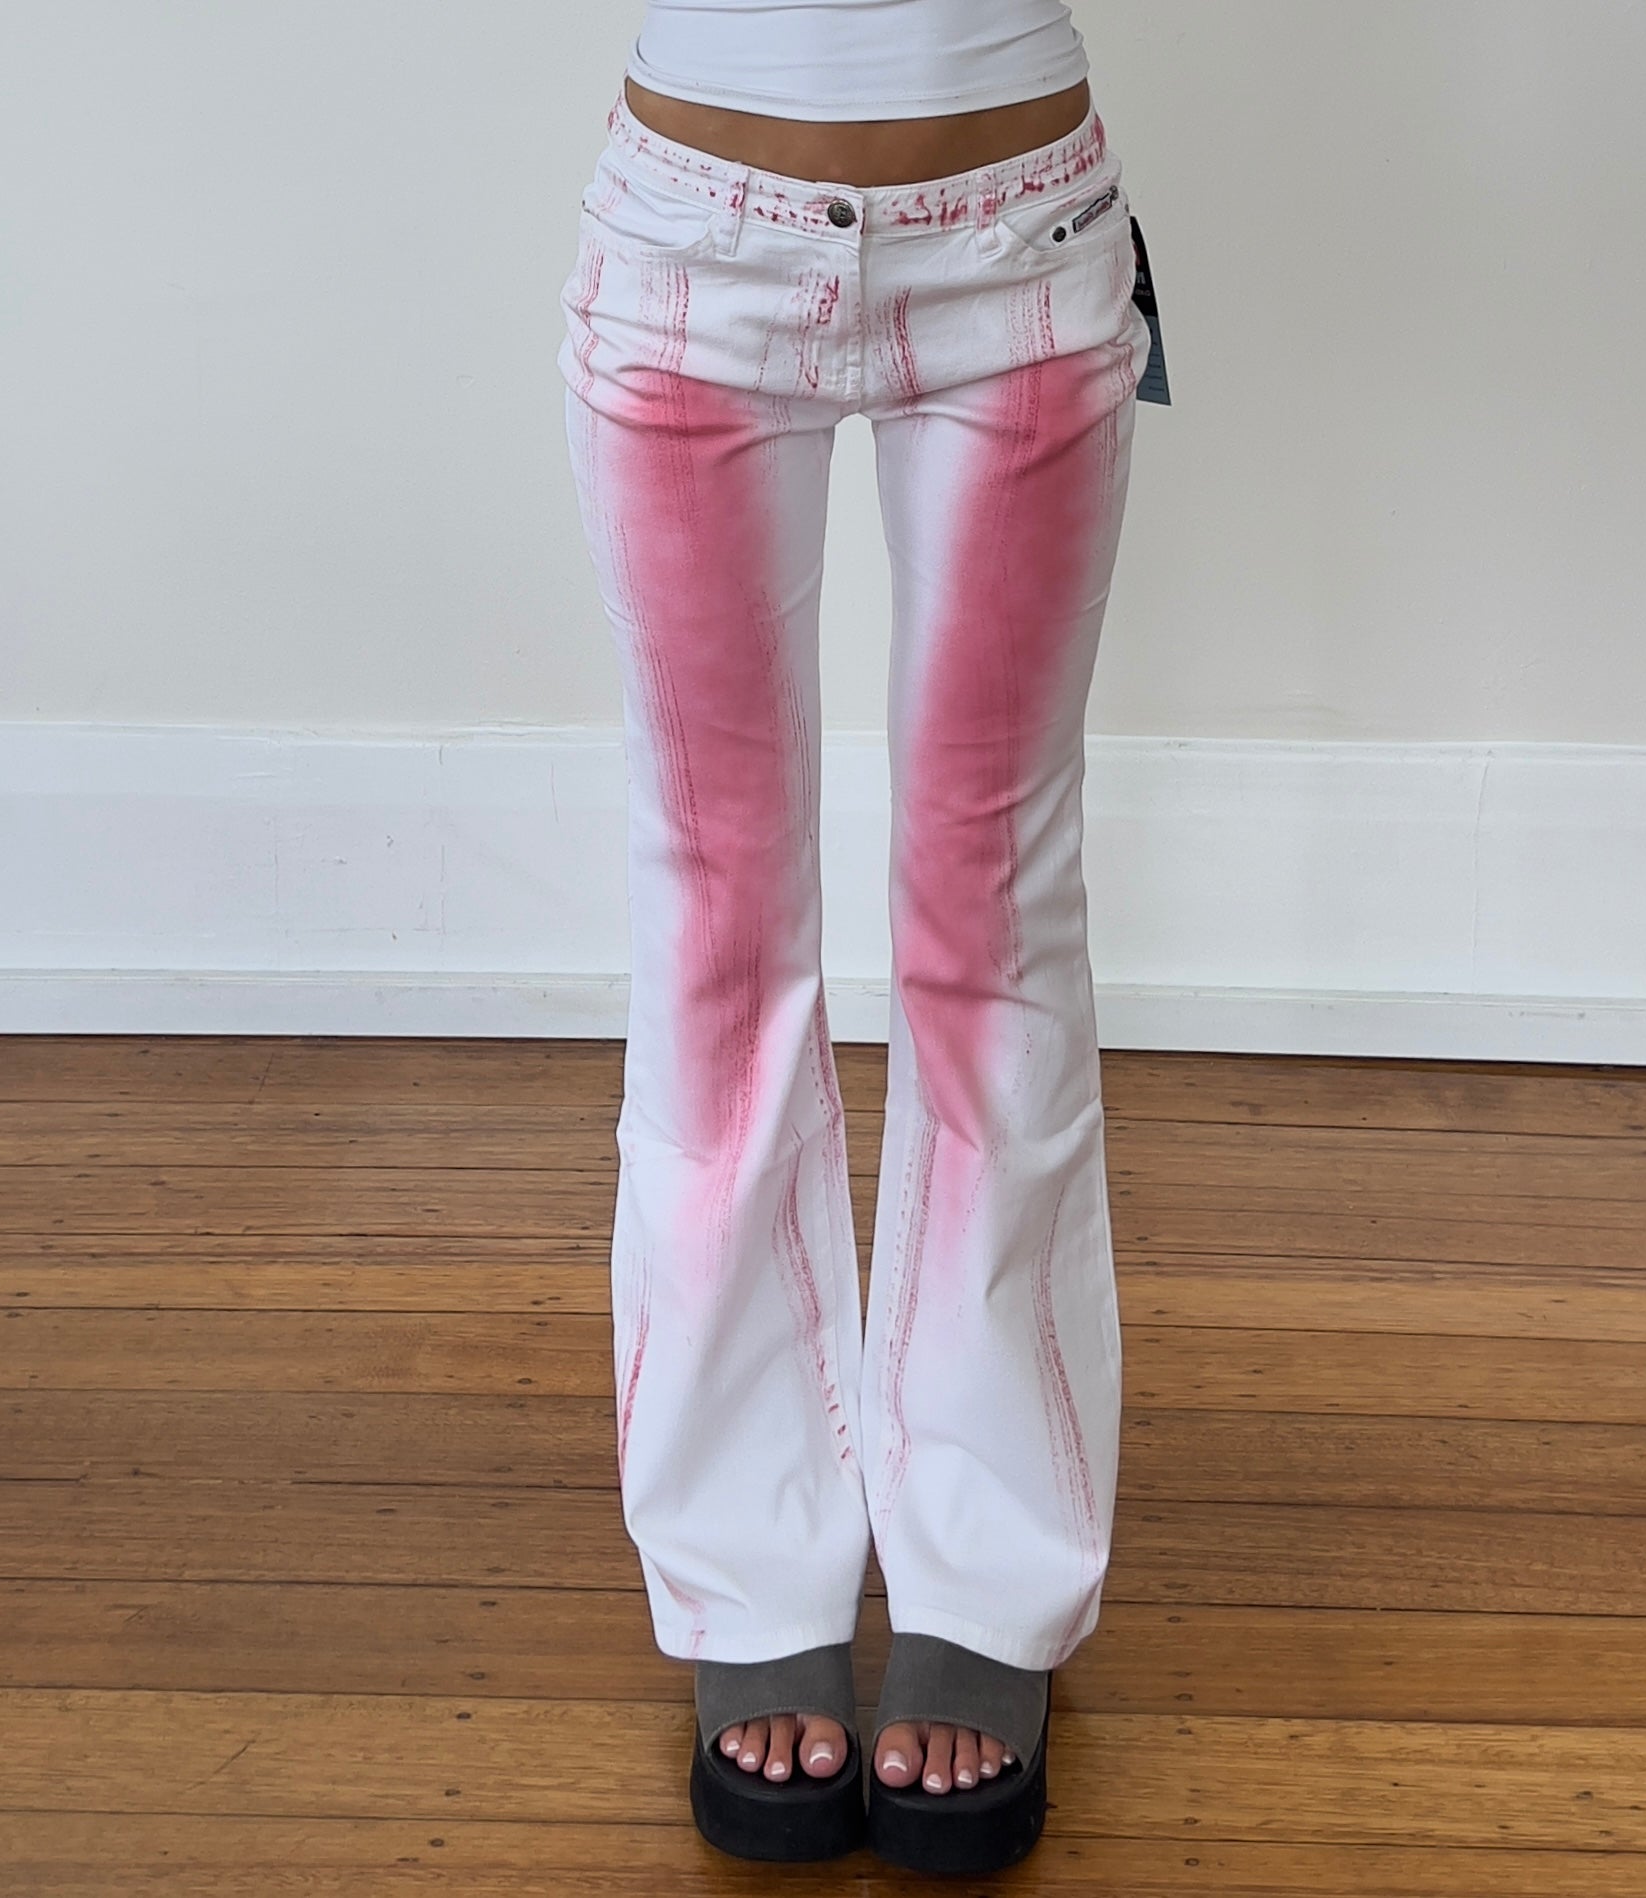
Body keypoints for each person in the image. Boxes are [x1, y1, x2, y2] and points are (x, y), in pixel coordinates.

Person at [556, 0, 1150, 1874]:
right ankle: (747, 1563)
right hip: (688, 255)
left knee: (991, 929)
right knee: (716, 933)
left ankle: (989, 1560)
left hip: (1019, 248)